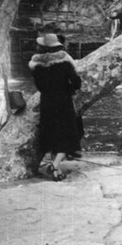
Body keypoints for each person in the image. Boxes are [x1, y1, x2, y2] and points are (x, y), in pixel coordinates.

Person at [29, 33, 82, 181]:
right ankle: (55, 165)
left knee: (52, 133)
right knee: (68, 134)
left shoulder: (36, 67)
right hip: (63, 102)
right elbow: (77, 83)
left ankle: (56, 167)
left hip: (46, 102)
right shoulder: (64, 63)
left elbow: (39, 86)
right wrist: (68, 87)